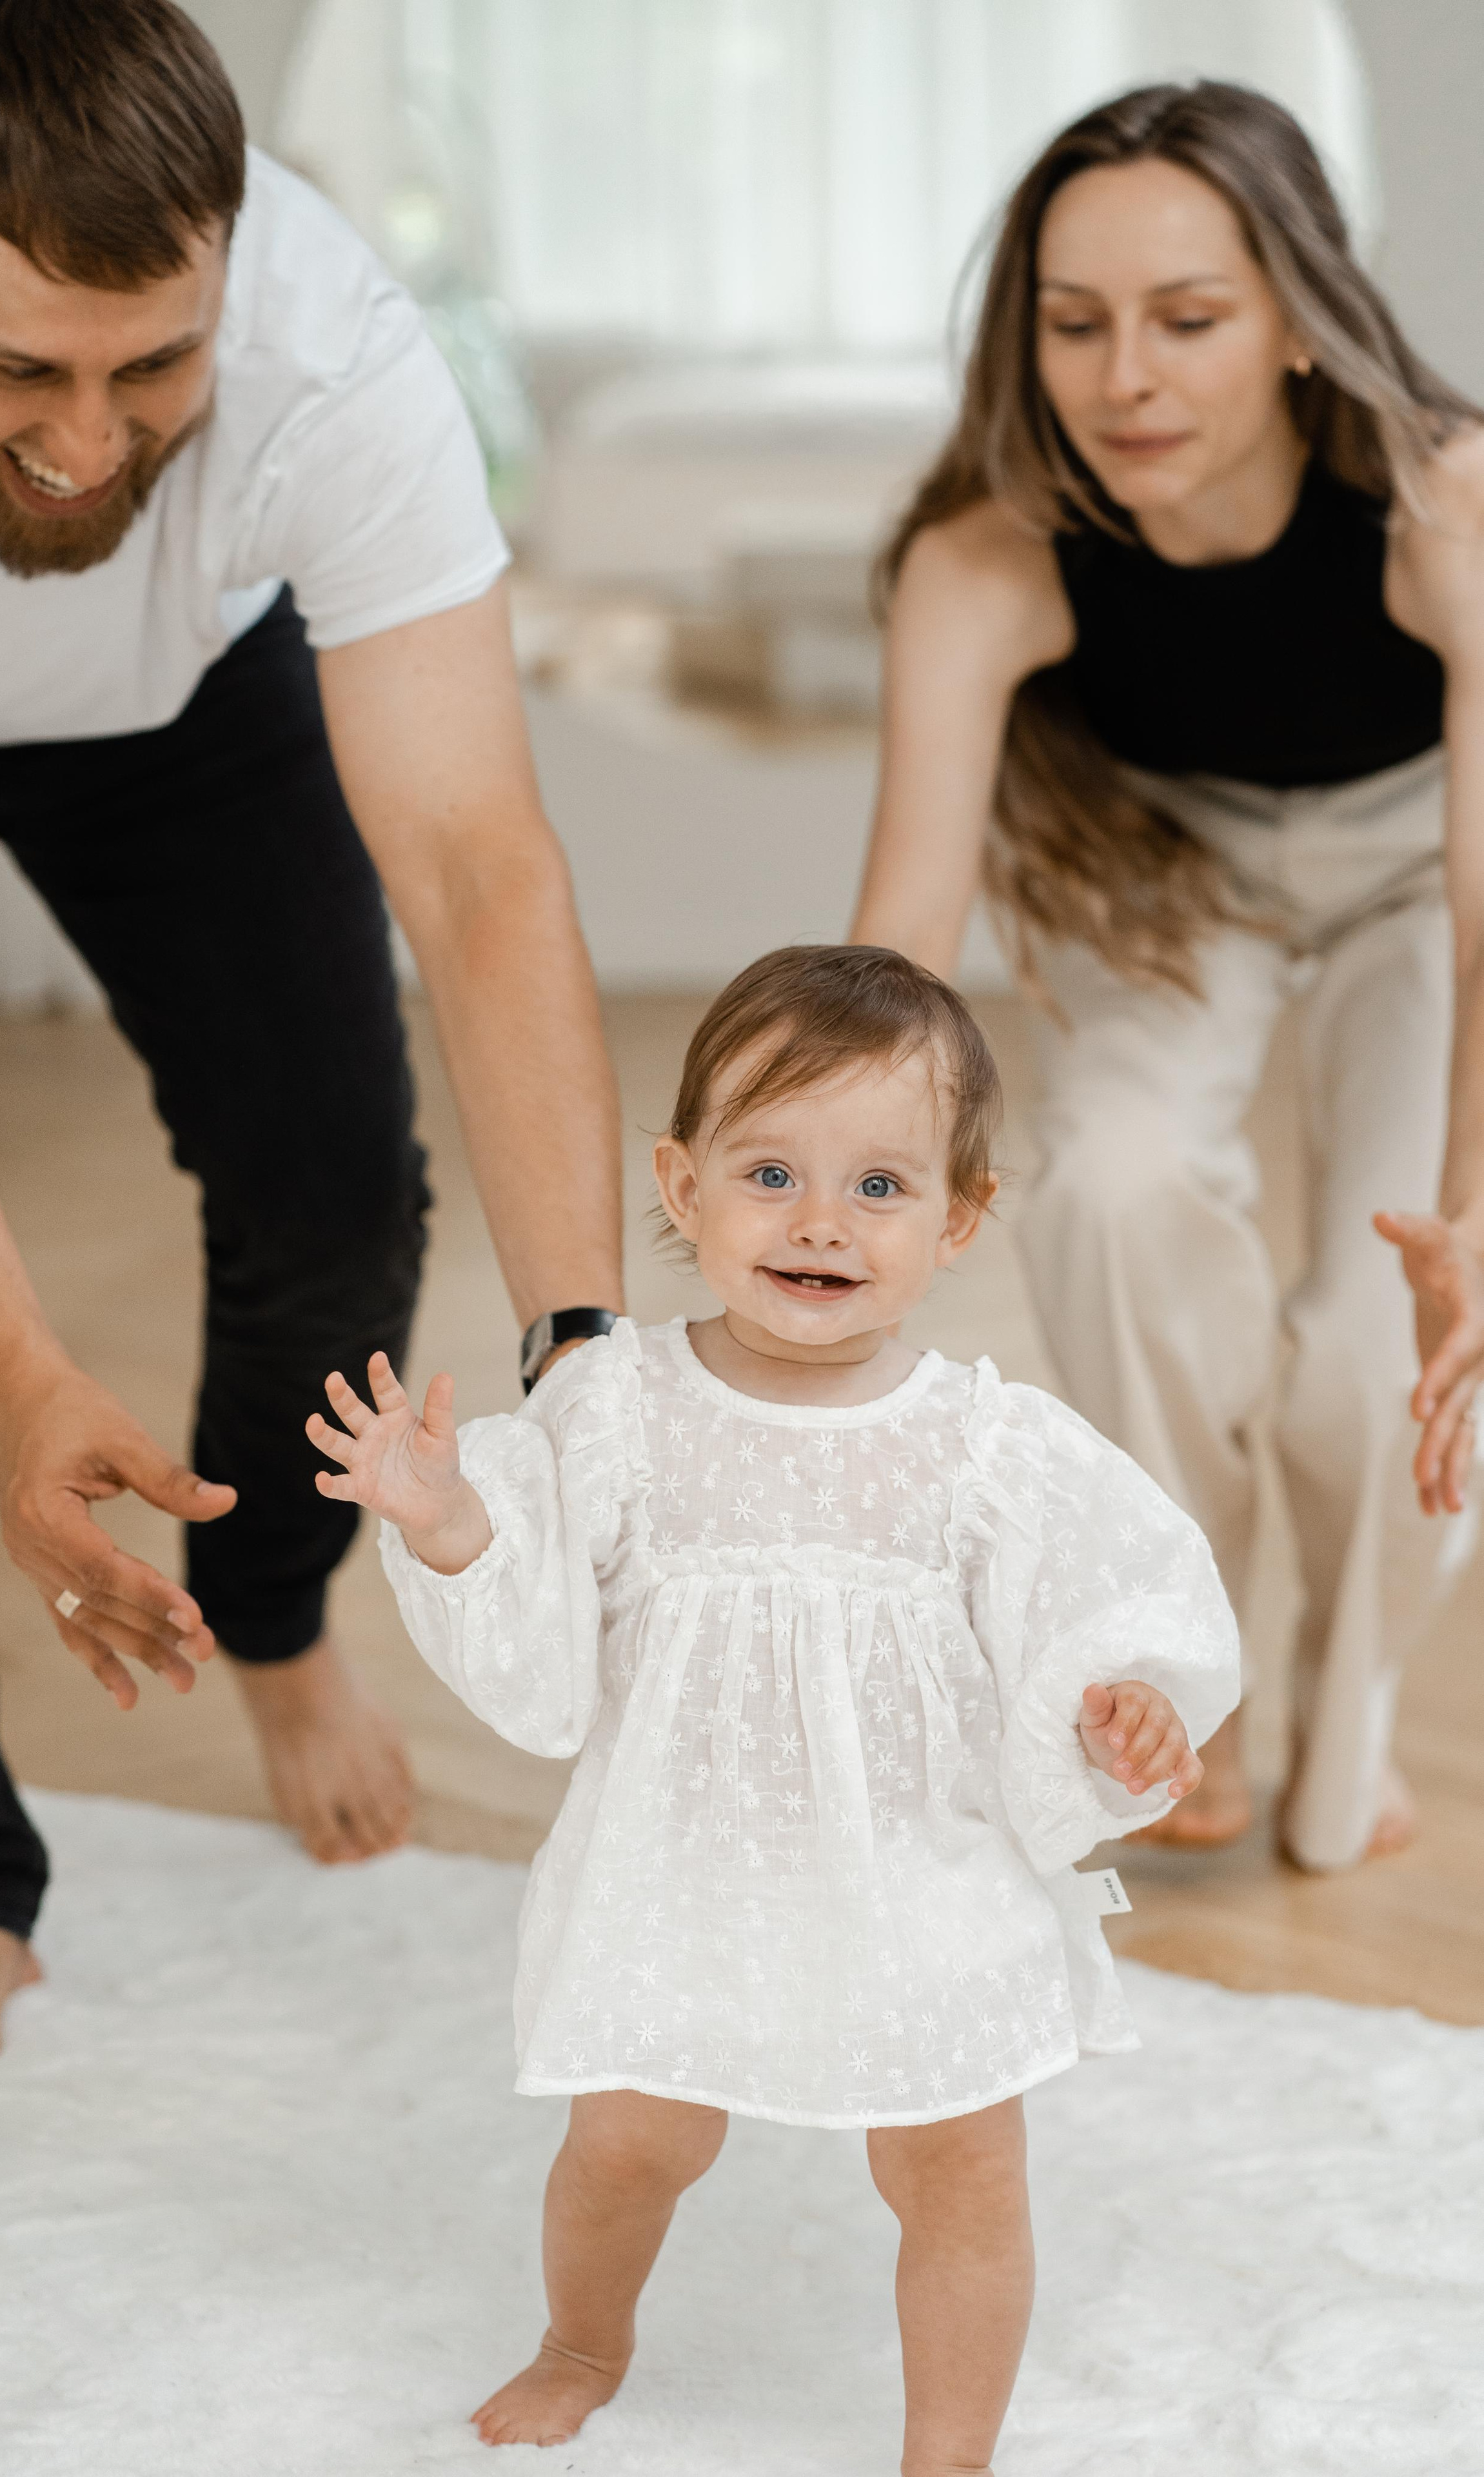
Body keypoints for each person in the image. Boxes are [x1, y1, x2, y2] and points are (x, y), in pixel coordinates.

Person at [0, 0, 624, 2093]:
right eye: (21, 370)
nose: (88, 441)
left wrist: (592, 1356)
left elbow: (478, 869)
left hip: (182, 699)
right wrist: (24, 1379)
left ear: (229, 273)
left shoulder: (332, 341)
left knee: (336, 1190)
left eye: (150, 367)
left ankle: (274, 1611)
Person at [310, 945, 1239, 2469]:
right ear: (679, 1189)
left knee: (959, 2173)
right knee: (627, 2145)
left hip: (923, 1876)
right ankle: (578, 2336)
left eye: (881, 1186)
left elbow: (1113, 1607)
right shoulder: (611, 1409)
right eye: (768, 1171)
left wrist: (1126, 1707)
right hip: (682, 1868)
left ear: (958, 1217)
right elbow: (538, 1649)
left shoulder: (992, 1447)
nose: (820, 1220)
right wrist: (449, 1522)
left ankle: (949, 2449)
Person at [851, 80, 1484, 1874]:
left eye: (1189, 321)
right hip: (1170, 871)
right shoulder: (989, 555)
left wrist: (1473, 1213)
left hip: (1423, 873)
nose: (1127, 376)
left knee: (1390, 1345)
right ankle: (1177, 1678)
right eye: (1076, 323)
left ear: (1296, 319)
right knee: (1106, 1191)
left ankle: (1345, 1722)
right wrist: (821, 1213)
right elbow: (898, 937)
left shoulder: (1451, 506)